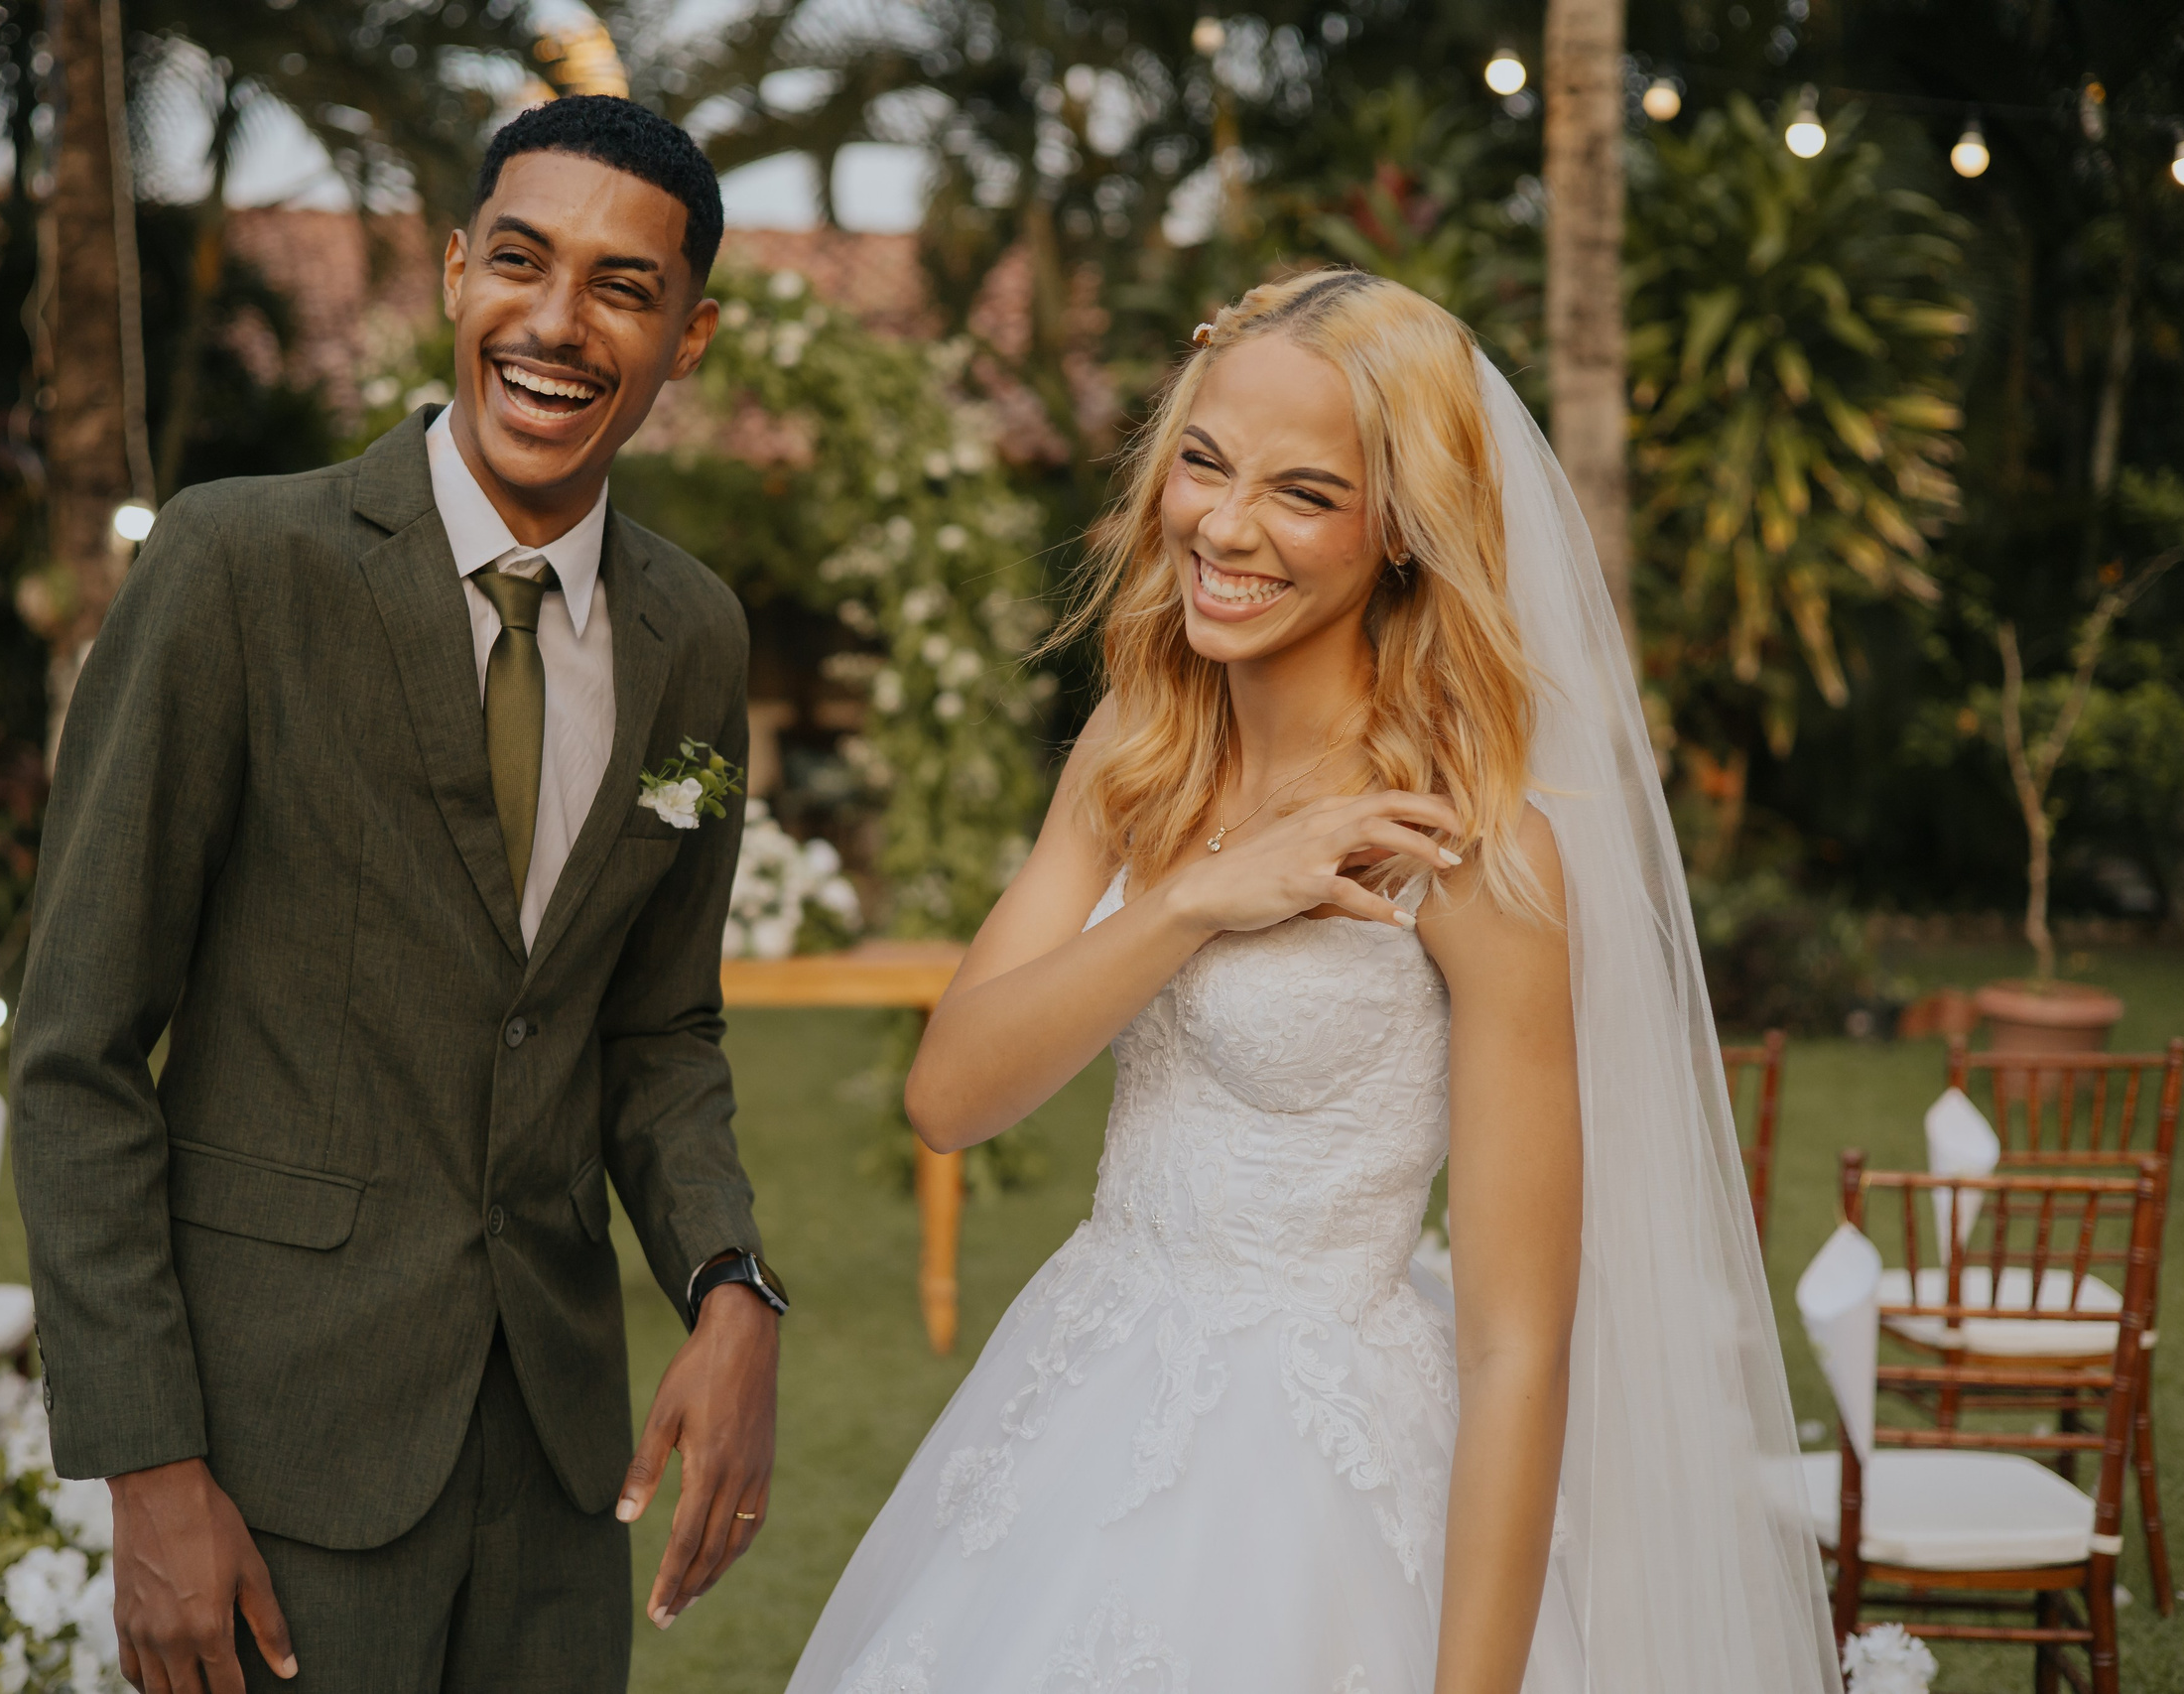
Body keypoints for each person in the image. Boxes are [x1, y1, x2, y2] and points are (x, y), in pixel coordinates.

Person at [783, 269, 1839, 1693]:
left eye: (1302, 493)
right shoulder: (1134, 745)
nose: (1225, 527)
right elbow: (951, 1096)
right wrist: (1202, 896)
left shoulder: (1467, 849)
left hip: (1315, 1471)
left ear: (1399, 527)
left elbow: (1520, 1348)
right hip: (1080, 1389)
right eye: (1204, 465)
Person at [12, 96, 791, 1694]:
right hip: (272, 1462)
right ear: (454, 275)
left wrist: (732, 1283)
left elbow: (660, 1025)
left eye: (622, 290)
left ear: (688, 337)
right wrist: (148, 1468)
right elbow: (77, 1050)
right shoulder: (236, 570)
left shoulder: (696, 642)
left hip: (560, 1476)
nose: (557, 325)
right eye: (521, 261)